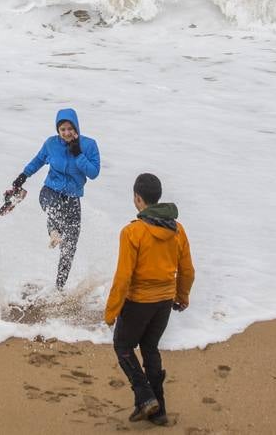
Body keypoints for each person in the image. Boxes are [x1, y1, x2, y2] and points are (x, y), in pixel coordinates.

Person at [105, 173, 195, 426]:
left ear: (137, 198)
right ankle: (159, 410)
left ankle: (145, 397)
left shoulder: (133, 231)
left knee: (123, 347)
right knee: (150, 347)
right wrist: (182, 296)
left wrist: (111, 312)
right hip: (165, 301)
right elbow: (187, 269)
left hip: (138, 302)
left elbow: (123, 277)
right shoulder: (178, 229)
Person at [11, 108, 100, 289]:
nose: (66, 133)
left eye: (69, 128)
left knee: (70, 245)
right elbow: (38, 160)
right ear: (57, 130)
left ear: (76, 127)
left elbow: (93, 173)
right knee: (54, 210)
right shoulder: (51, 144)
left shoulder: (89, 145)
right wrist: (23, 176)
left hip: (73, 197)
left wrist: (78, 154)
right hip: (50, 191)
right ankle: (53, 232)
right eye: (62, 129)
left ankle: (59, 286)